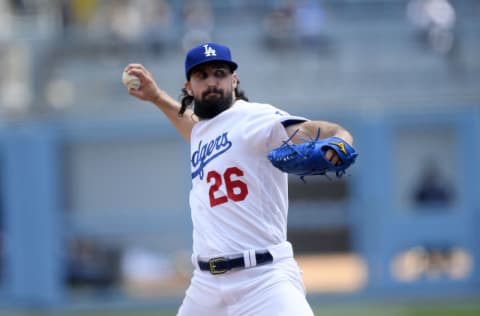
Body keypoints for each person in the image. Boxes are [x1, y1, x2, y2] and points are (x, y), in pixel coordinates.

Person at [123, 42, 354, 316]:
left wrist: (341, 140)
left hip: (263, 279)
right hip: (206, 286)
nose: (212, 82)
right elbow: (195, 129)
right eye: (202, 76)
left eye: (219, 73)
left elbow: (328, 130)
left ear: (234, 79)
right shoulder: (202, 131)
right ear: (189, 87)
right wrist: (157, 97)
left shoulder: (255, 118)